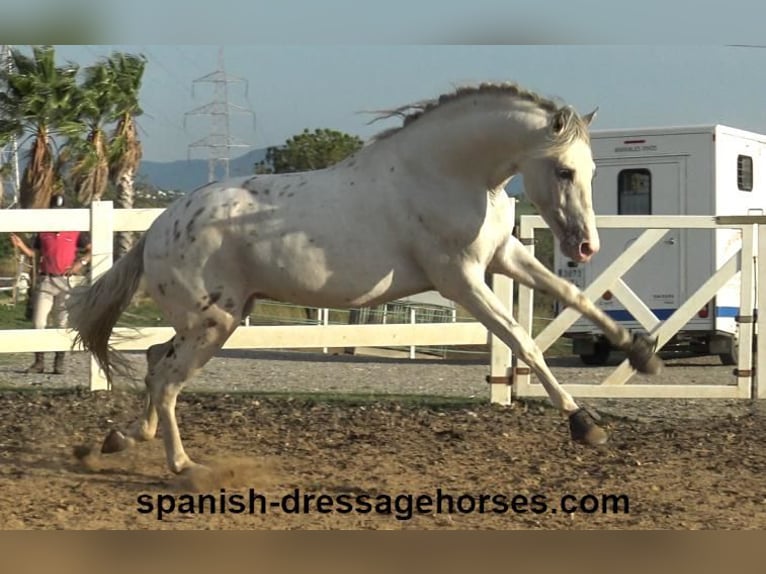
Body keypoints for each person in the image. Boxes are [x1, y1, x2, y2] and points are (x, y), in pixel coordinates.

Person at [9, 194, 92, 374]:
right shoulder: (43, 232)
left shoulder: (76, 231)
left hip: (66, 281)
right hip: (46, 279)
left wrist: (81, 263)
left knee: (61, 324)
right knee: (39, 323)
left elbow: (91, 249)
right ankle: (39, 362)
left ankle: (58, 363)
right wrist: (20, 245)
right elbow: (34, 254)